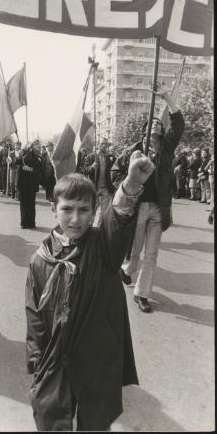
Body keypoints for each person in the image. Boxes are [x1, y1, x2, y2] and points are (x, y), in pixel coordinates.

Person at [26, 151, 156, 431]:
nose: (75, 219)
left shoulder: (101, 247)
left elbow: (118, 220)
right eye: (67, 209)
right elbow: (34, 314)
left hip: (96, 355)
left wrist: (132, 184)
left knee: (95, 422)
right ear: (53, 208)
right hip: (55, 356)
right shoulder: (40, 259)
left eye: (84, 210)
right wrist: (37, 361)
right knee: (50, 417)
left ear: (95, 210)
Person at [111, 88, 184, 312]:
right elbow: (114, 175)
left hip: (158, 209)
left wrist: (166, 97)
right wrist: (131, 185)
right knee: (135, 250)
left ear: (162, 131)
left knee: (151, 254)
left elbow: (179, 124)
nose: (155, 125)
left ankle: (142, 294)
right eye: (151, 124)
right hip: (138, 207)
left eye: (158, 124)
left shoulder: (167, 149)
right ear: (144, 131)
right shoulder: (133, 151)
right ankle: (127, 269)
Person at [85, 138, 116, 226]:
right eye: (102, 143)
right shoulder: (91, 156)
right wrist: (91, 167)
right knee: (93, 209)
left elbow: (116, 171)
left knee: (104, 212)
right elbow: (84, 170)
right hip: (95, 188)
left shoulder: (111, 157)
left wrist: (114, 184)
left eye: (106, 144)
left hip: (106, 189)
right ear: (99, 144)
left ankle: (99, 229)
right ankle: (89, 227)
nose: (104, 146)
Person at [17, 140, 42, 229]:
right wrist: (19, 156)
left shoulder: (39, 156)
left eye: (39, 145)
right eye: (36, 144)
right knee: (23, 203)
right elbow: (16, 162)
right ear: (31, 146)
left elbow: (39, 169)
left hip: (32, 183)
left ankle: (31, 222)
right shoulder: (23, 154)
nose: (38, 146)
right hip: (23, 182)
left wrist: (30, 169)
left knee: (31, 203)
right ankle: (23, 222)